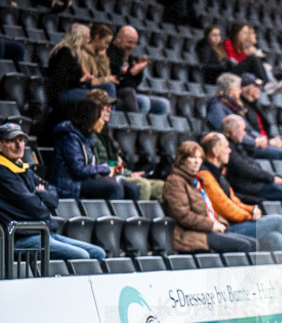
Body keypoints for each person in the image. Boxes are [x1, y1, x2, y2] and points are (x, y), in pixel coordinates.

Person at [0, 122, 105, 261]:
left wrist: (40, 195)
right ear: (0, 145)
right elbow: (36, 209)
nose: (19, 145)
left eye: (21, 140)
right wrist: (41, 197)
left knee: (98, 253)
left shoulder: (24, 169)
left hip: (44, 232)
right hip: (22, 238)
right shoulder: (3, 172)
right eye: (11, 141)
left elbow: (54, 196)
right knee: (82, 256)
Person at [196, 132, 282, 251]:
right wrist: (248, 216)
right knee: (278, 221)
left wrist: (251, 210)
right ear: (215, 151)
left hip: (235, 224)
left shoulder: (219, 174)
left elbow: (233, 201)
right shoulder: (205, 175)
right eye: (226, 147)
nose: (229, 151)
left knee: (276, 239)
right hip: (224, 229)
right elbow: (223, 206)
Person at [163, 141, 259, 254]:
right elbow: (182, 215)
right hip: (190, 235)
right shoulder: (175, 181)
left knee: (254, 243)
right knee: (244, 246)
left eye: (199, 157)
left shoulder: (196, 180)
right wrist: (211, 225)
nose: (197, 161)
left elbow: (207, 209)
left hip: (207, 230)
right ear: (182, 159)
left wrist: (221, 223)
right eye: (192, 157)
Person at [206, 73, 282, 162]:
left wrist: (262, 140)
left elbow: (248, 128)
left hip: (253, 144)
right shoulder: (217, 107)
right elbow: (225, 131)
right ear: (231, 89)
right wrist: (254, 142)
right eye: (238, 88)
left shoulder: (232, 106)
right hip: (245, 148)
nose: (240, 92)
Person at [52, 98, 139, 200]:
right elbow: (79, 170)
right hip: (70, 185)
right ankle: (111, 216)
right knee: (114, 188)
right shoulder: (70, 138)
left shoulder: (86, 137)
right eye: (99, 118)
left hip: (84, 180)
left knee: (131, 188)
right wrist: (106, 168)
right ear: (90, 119)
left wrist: (111, 170)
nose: (103, 122)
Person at [86, 89, 163, 200]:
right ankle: (139, 217)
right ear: (93, 108)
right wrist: (126, 175)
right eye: (104, 106)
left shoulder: (107, 133)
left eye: (110, 106)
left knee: (160, 186)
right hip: (102, 177)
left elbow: (116, 162)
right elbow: (97, 166)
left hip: (116, 174)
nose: (109, 109)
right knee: (143, 185)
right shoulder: (89, 134)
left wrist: (128, 173)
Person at [221, 114, 282, 202]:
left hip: (254, 183)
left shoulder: (237, 145)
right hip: (248, 186)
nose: (244, 134)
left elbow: (250, 165)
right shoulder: (229, 149)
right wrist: (271, 178)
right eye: (242, 130)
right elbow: (245, 169)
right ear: (233, 131)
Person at [238, 73, 282, 161]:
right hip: (256, 146)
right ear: (248, 89)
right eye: (256, 86)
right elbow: (249, 132)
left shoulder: (256, 106)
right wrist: (269, 142)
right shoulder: (241, 107)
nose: (259, 89)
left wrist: (274, 139)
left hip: (267, 142)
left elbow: (264, 129)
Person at [45, 24, 116, 108]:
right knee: (96, 98)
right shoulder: (64, 52)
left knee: (108, 87)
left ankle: (108, 117)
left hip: (73, 88)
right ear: (80, 38)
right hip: (62, 93)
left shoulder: (74, 53)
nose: (89, 40)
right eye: (87, 37)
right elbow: (61, 80)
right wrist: (81, 80)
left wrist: (82, 80)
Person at [107, 26, 170, 116]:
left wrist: (138, 73)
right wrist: (131, 73)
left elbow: (133, 85)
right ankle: (136, 127)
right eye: (129, 42)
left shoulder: (127, 54)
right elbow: (115, 84)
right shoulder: (108, 53)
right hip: (117, 93)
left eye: (134, 43)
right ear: (118, 38)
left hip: (129, 93)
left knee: (164, 104)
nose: (132, 46)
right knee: (144, 102)